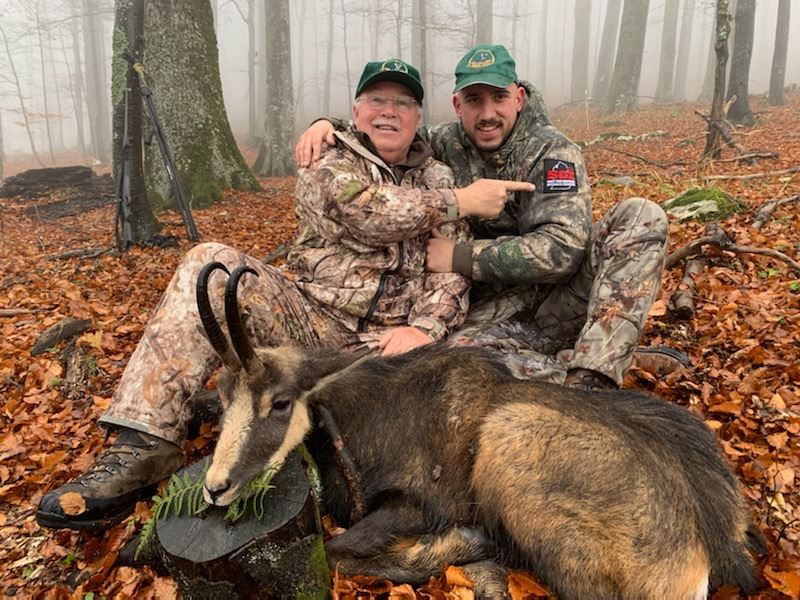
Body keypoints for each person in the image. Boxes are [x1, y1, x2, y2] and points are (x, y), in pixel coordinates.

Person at [36, 58, 533, 531]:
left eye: (402, 103)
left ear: (418, 117)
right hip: (309, 320)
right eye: (377, 100)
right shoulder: (329, 159)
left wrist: (423, 328)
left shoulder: (438, 174)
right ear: (356, 111)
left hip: (384, 347)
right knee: (211, 265)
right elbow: (367, 212)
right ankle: (144, 441)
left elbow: (451, 268)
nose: (389, 112)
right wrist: (457, 200)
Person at [296, 44, 688, 390]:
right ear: (458, 106)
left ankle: (593, 378)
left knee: (641, 215)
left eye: (498, 97)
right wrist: (329, 125)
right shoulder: (444, 142)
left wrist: (461, 256)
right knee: (448, 365)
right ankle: (570, 362)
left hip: (562, 300)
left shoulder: (552, 153)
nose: (487, 114)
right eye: (474, 100)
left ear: (518, 98)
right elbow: (391, 126)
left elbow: (563, 251)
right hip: (488, 313)